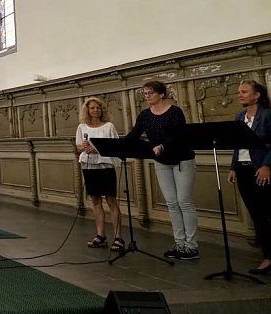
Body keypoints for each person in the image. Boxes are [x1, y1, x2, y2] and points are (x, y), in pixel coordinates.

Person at [127, 80, 199, 260]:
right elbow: (134, 135)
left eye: (150, 93)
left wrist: (162, 146)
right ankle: (179, 243)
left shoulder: (175, 111)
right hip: (161, 162)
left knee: (184, 202)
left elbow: (180, 135)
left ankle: (191, 246)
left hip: (182, 159)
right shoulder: (144, 115)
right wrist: (115, 146)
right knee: (172, 203)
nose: (147, 96)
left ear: (161, 94)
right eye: (145, 94)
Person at [228, 80, 271, 275]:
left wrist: (267, 166)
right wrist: (234, 167)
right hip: (244, 171)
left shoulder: (267, 115)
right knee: (257, 216)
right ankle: (269, 256)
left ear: (257, 95)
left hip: (261, 169)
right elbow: (238, 144)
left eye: (244, 91)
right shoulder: (240, 116)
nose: (240, 95)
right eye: (239, 92)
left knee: (268, 212)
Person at [75, 97, 123, 252]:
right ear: (87, 110)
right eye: (92, 108)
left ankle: (118, 237)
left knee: (111, 200)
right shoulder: (82, 127)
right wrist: (84, 147)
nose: (95, 110)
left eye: (98, 108)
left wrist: (97, 149)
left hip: (105, 166)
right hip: (89, 167)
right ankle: (100, 235)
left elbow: (115, 146)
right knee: (95, 201)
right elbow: (78, 148)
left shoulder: (109, 126)